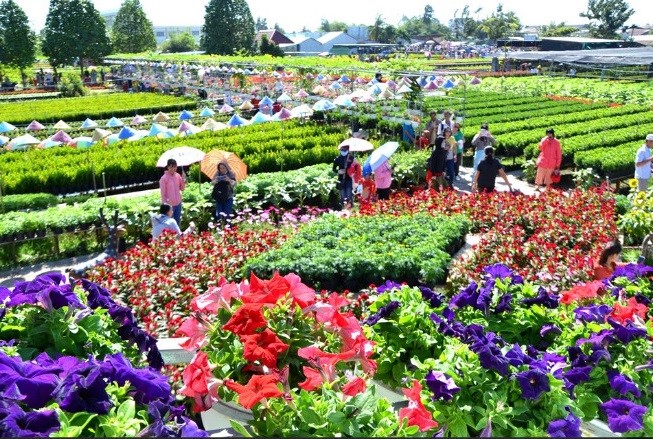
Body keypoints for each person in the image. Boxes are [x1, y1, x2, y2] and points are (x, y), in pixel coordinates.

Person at [159, 158, 186, 227]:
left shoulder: (178, 176)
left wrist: (183, 179)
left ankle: (178, 237)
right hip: (169, 206)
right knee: (170, 224)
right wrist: (165, 206)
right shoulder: (163, 178)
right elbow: (163, 194)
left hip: (178, 204)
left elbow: (182, 189)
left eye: (175, 167)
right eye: (171, 167)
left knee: (177, 222)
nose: (173, 169)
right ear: (167, 167)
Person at [333, 145, 356, 209]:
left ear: (348, 150)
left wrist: (352, 171)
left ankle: (351, 208)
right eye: (342, 150)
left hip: (349, 179)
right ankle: (343, 208)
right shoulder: (338, 159)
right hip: (341, 179)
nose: (343, 151)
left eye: (345, 150)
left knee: (349, 195)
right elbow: (334, 169)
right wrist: (338, 171)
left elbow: (356, 167)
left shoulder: (351, 158)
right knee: (343, 196)